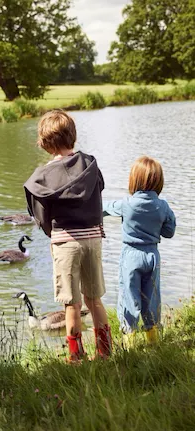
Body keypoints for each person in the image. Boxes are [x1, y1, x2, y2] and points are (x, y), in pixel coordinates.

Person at [24, 109, 112, 361]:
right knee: (94, 299)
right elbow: (99, 190)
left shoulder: (41, 177)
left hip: (65, 242)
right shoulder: (90, 163)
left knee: (71, 304)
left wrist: (55, 235)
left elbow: (40, 215)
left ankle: (75, 357)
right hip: (93, 238)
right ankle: (105, 353)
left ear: (45, 142)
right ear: (72, 135)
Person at [103, 156, 176, 346]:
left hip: (131, 255)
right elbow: (169, 232)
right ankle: (153, 341)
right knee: (152, 298)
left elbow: (103, 209)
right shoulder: (163, 206)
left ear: (134, 180)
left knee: (129, 298)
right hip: (152, 256)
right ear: (159, 181)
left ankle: (130, 345)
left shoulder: (126, 204)